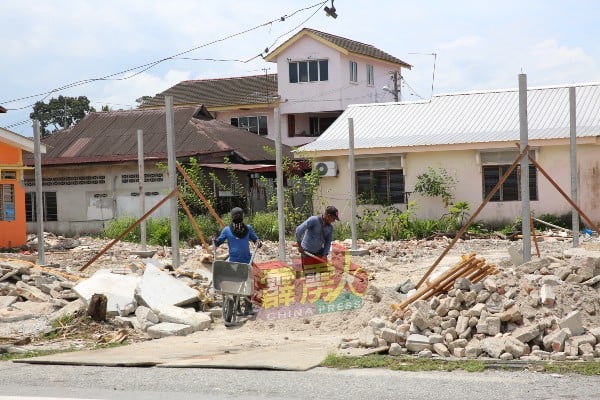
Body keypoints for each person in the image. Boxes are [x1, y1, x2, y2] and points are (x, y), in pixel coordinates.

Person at [214, 207, 261, 316]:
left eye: (240, 215)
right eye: (236, 215)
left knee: (248, 284)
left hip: (247, 262)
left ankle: (248, 308)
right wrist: (214, 241)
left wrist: (258, 242)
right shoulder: (227, 230)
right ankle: (237, 308)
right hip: (234, 263)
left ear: (242, 216)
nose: (238, 217)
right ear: (232, 217)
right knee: (235, 284)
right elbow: (219, 241)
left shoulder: (248, 229)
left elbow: (255, 239)